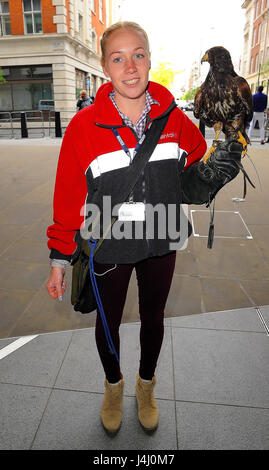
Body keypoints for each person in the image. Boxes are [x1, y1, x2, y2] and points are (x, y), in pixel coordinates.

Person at [46, 21, 242, 434]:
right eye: (118, 58)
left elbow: (195, 161)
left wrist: (212, 173)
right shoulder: (83, 127)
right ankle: (114, 386)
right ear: (104, 66)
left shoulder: (174, 118)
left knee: (154, 316)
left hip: (161, 234)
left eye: (138, 55)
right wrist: (59, 259)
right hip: (108, 240)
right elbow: (67, 198)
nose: (130, 66)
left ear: (150, 60)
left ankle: (146, 385)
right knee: (108, 320)